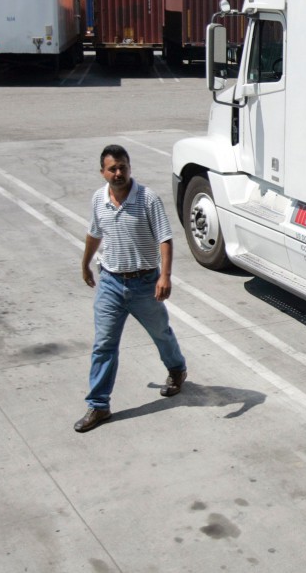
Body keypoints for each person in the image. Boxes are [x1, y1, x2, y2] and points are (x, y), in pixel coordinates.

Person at [74, 144, 188, 433]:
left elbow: (165, 238)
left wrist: (165, 277)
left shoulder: (148, 198)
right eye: (112, 168)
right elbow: (94, 234)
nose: (118, 173)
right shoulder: (98, 199)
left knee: (161, 333)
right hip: (110, 283)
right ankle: (99, 405)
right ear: (103, 172)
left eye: (122, 167)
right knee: (104, 345)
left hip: (144, 284)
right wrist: (85, 264)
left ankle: (177, 369)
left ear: (129, 167)